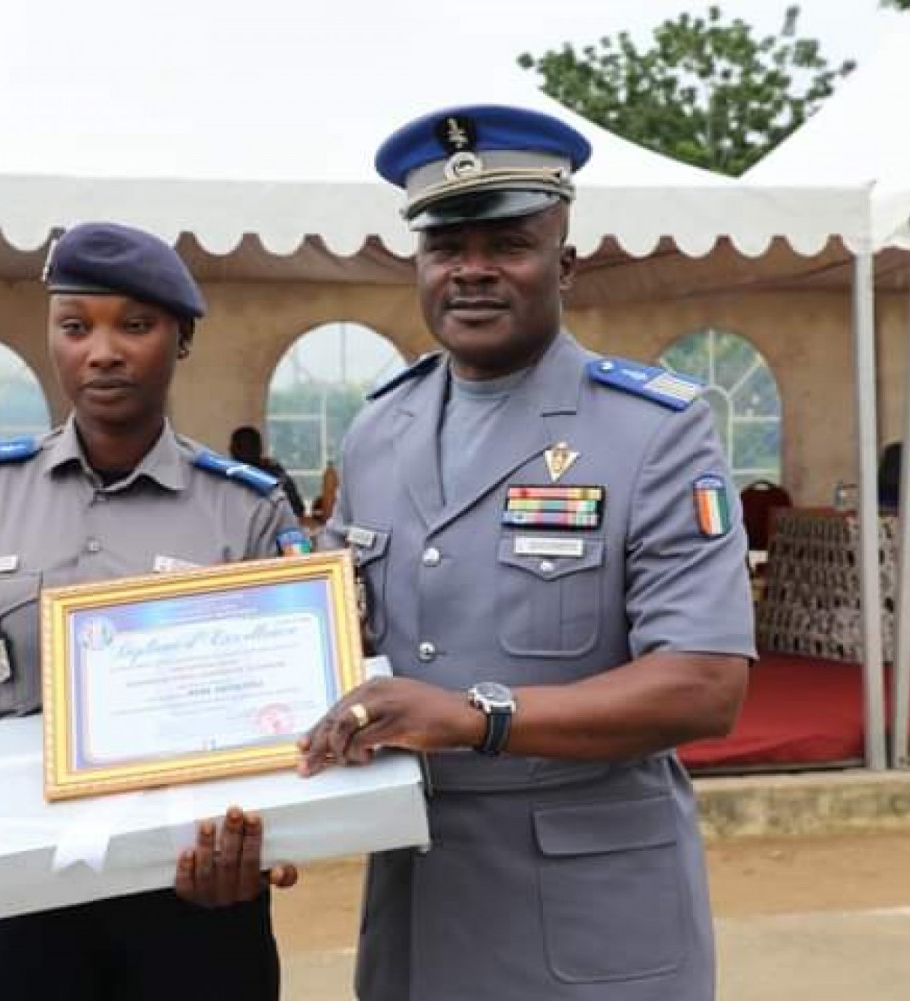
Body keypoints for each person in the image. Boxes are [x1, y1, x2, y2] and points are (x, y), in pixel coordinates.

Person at [297, 105, 753, 1001]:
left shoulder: (654, 430)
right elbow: (332, 624)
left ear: (564, 262)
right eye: (444, 247)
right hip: (420, 905)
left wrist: (479, 716)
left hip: (588, 921)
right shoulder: (379, 428)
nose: (470, 271)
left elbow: (707, 683)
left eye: (506, 243)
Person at [0, 222, 303, 1000]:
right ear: (52, 338)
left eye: (135, 324)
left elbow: (293, 711)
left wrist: (276, 830)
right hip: (6, 887)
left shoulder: (249, 513)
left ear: (182, 337)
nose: (103, 351)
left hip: (194, 893)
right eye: (75, 325)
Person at [229, 424, 306, 517]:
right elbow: (298, 508)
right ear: (260, 449)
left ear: (232, 450)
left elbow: (297, 507)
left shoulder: (226, 477)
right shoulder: (275, 472)